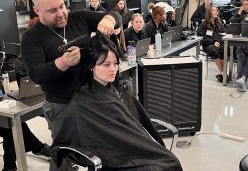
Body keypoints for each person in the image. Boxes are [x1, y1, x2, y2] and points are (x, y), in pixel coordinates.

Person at [20, 0, 121, 170]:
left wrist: (108, 19)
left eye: (62, 6)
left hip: (92, 98)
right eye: (52, 10)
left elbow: (118, 16)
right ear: (37, 10)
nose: (60, 13)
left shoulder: (79, 18)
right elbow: (36, 74)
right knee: (65, 155)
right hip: (62, 105)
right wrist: (63, 63)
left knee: (101, 149)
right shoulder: (31, 38)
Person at [54, 31, 183, 171]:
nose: (113, 69)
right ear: (91, 67)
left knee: (170, 162)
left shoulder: (119, 89)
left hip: (134, 148)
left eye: (115, 64)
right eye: (106, 65)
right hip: (113, 157)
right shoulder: (82, 101)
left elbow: (135, 124)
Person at [197, 5, 226, 83]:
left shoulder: (219, 22)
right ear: (209, 12)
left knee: (225, 49)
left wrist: (219, 42)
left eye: (216, 10)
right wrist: (213, 42)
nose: (216, 11)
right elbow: (201, 37)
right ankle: (223, 73)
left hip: (219, 43)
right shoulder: (204, 23)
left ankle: (222, 74)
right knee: (215, 50)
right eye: (213, 10)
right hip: (208, 44)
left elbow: (223, 33)